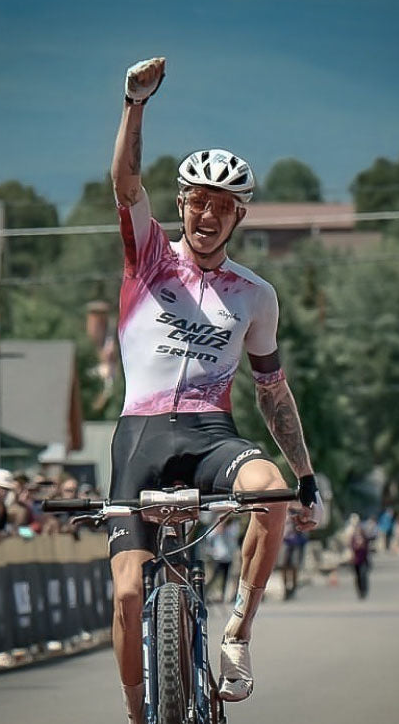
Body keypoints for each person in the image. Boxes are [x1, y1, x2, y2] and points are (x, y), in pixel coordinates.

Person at [108, 57, 323, 722]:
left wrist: (304, 474)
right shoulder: (148, 256)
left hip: (208, 433)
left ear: (238, 217)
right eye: (198, 202)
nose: (207, 214)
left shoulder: (255, 296)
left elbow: (273, 393)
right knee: (123, 595)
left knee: (268, 494)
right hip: (140, 433)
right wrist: (134, 105)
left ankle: (235, 634)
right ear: (181, 205)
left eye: (221, 206)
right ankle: (140, 713)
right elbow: (123, 181)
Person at [350, 526, 370, 599]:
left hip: (363, 561)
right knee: (357, 577)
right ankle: (360, 591)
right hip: (355, 561)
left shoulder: (365, 538)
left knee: (363, 576)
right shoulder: (353, 538)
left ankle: (364, 590)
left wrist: (362, 544)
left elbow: (367, 549)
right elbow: (352, 547)